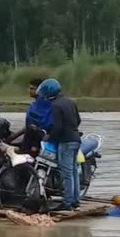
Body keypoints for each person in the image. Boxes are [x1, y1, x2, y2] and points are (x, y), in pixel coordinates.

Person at [41, 78, 81, 211]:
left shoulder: (56, 105)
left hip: (66, 142)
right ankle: (75, 200)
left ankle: (67, 202)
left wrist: (49, 137)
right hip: (76, 139)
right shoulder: (70, 101)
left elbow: (57, 127)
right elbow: (78, 120)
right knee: (74, 171)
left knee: (67, 173)